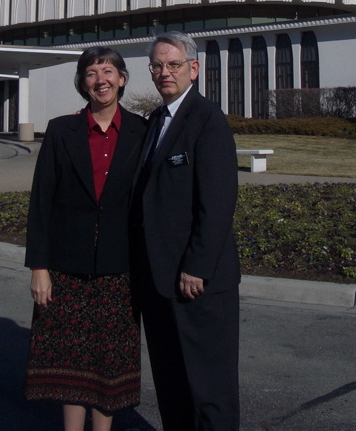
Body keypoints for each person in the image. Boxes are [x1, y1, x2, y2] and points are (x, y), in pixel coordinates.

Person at [24, 47, 147, 431]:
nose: (101, 80)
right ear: (82, 82)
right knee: (70, 363)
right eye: (91, 73)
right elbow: (41, 201)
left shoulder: (143, 132)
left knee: (108, 365)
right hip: (66, 267)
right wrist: (39, 267)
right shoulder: (62, 130)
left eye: (108, 71)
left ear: (122, 79)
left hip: (120, 268)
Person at [130, 31, 241, 431]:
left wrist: (197, 265)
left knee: (210, 391)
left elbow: (217, 201)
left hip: (197, 282)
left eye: (173, 65)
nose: (164, 73)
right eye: (157, 66)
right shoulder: (156, 121)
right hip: (159, 283)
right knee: (172, 386)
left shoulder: (207, 120)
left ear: (193, 69)